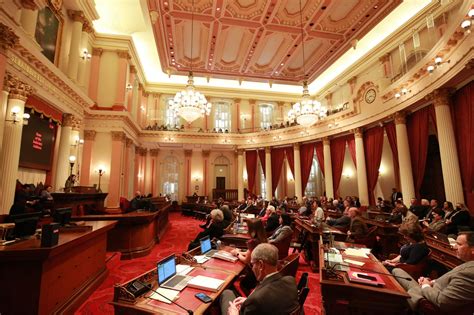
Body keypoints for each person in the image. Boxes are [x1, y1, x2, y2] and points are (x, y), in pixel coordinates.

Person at [392, 232, 474, 312]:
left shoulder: (469, 273)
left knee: (395, 276)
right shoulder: (468, 265)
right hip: (430, 290)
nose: (454, 247)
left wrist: (425, 285)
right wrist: (431, 282)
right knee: (397, 271)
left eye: (459, 244)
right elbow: (451, 281)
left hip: (427, 299)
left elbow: (442, 301)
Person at [220, 243, 299, 315]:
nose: (252, 268)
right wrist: (247, 301)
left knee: (226, 293)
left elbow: (260, 299)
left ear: (261, 265)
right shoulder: (290, 280)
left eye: (252, 264)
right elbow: (274, 299)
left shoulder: (256, 299)